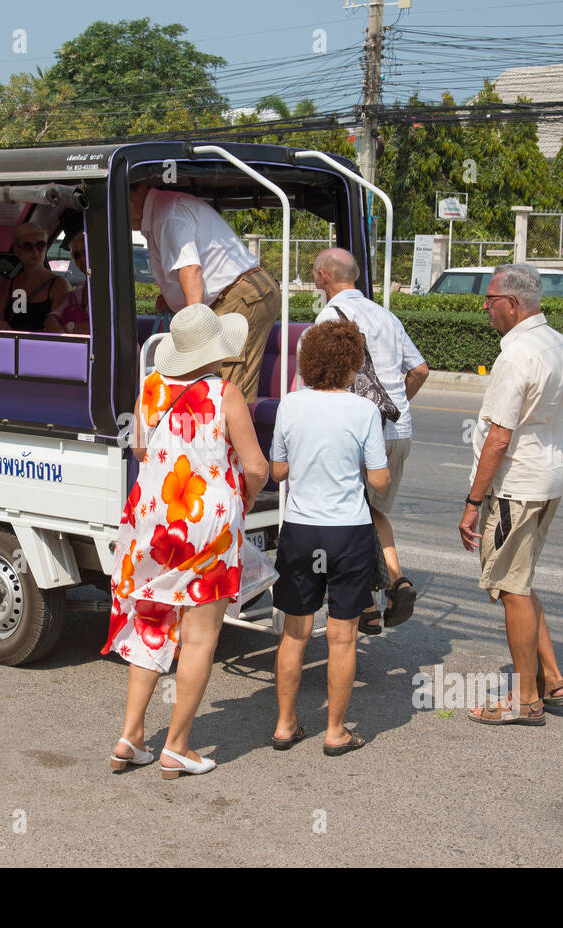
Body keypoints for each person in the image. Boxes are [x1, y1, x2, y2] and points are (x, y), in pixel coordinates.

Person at [104, 303, 269, 779]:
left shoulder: (151, 387)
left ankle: (131, 736)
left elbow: (138, 448)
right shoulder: (225, 394)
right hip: (206, 526)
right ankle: (176, 747)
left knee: (151, 625)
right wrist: (247, 497)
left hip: (152, 525)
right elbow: (256, 466)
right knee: (199, 639)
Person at [459, 264, 563, 726]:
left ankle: (526, 700)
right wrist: (550, 466)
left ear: (512, 304)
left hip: (514, 489)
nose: (485, 308)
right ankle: (552, 677)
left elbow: (497, 439)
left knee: (510, 589)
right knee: (522, 581)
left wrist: (473, 504)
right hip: (547, 483)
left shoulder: (515, 357)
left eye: (490, 299)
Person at [270, 318, 389, 757]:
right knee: (343, 636)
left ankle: (285, 725)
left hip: (301, 530)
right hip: (348, 533)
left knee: (295, 634)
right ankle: (335, 731)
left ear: (309, 361)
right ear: (352, 363)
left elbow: (278, 470)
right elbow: (379, 480)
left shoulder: (290, 404)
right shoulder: (363, 411)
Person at [312, 247, 429, 632]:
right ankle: (397, 580)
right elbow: (420, 370)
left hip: (359, 435)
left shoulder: (330, 317)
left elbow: (320, 382)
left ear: (323, 277)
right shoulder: (385, 314)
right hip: (399, 431)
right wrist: (394, 406)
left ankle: (364, 604)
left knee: (349, 515)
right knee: (373, 512)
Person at [130, 179, 281, 402]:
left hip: (239, 296)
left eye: (128, 199)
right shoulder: (164, 212)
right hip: (236, 294)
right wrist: (172, 298)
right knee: (216, 384)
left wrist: (195, 329)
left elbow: (190, 269)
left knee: (226, 389)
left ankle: (231, 435)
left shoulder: (167, 215)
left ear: (140, 191)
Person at [0, 223, 69, 333]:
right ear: (17, 250)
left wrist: (13, 332)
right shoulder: (9, 285)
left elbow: (58, 332)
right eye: (27, 246)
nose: (35, 252)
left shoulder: (59, 285)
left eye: (40, 245)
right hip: (11, 347)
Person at [46, 232, 90, 335]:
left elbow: (106, 329)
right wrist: (60, 330)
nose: (82, 259)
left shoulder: (113, 290)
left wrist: (70, 326)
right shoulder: (77, 293)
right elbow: (52, 318)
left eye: (86, 252)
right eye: (77, 255)